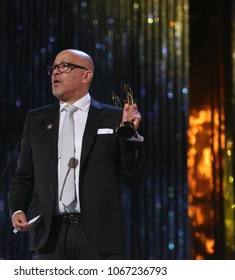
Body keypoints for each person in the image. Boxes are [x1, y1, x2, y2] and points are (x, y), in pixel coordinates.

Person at [9, 49, 145, 260]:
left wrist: (130, 136)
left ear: (86, 75)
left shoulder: (113, 117)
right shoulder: (37, 119)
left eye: (64, 66)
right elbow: (23, 175)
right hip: (49, 235)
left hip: (99, 235)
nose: (56, 72)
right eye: (53, 68)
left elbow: (133, 178)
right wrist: (17, 209)